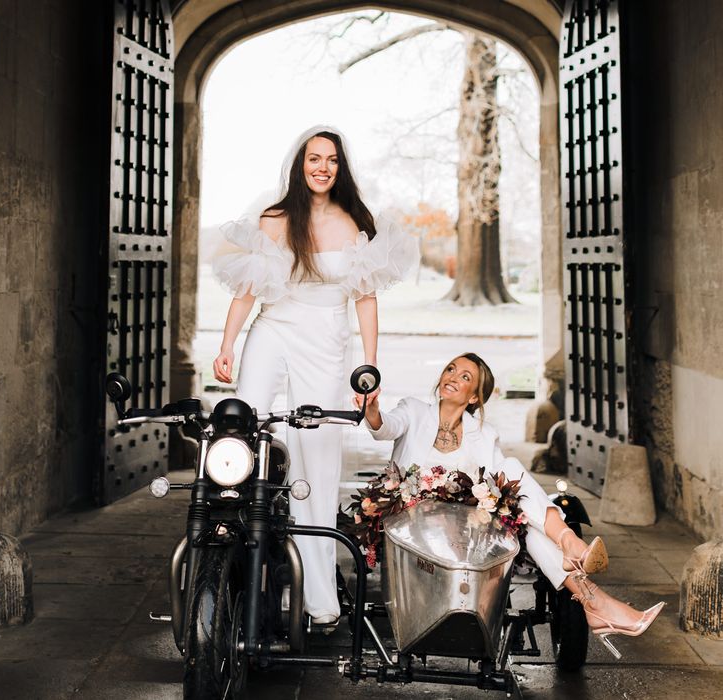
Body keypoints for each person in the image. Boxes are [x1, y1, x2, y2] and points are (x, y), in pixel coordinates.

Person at [211, 126, 417, 624]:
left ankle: (314, 592)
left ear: (340, 168)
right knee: (244, 429)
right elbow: (248, 290)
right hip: (273, 330)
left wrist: (368, 363)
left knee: (317, 459)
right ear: (300, 166)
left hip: (327, 341)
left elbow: (364, 298)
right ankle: (235, 563)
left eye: (331, 160)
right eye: (313, 159)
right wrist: (227, 345)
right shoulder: (276, 219)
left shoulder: (356, 223)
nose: (322, 167)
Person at [357, 352, 665, 657]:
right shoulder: (413, 410)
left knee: (520, 502)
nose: (452, 377)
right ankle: (584, 576)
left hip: (464, 533)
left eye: (465, 377)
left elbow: (499, 490)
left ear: (475, 397)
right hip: (413, 524)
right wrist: (371, 408)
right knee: (519, 496)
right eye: (451, 369)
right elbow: (385, 426)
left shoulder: (485, 435)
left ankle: (587, 590)